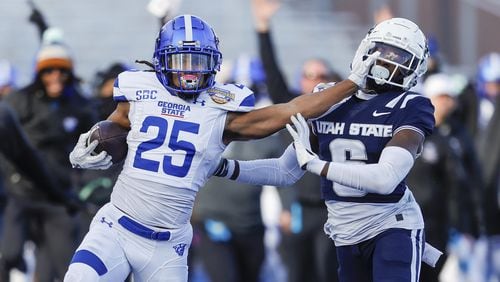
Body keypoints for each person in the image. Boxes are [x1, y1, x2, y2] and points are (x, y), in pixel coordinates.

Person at [64, 14, 378, 281]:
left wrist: (351, 83)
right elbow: (112, 129)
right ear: (161, 61)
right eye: (181, 61)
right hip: (116, 226)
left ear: (213, 64)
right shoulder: (139, 91)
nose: (189, 73)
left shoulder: (222, 114)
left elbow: (289, 110)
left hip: (167, 245)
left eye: (197, 63)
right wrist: (90, 143)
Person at [216, 18, 441, 281]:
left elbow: (385, 178)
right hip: (345, 233)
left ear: (414, 70)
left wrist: (315, 165)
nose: (388, 64)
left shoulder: (411, 105)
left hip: (392, 226)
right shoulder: (330, 99)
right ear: (366, 49)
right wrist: (222, 167)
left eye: (400, 58)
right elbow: (284, 171)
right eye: (384, 53)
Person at [251, 0, 341, 280]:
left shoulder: (343, 112)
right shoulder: (291, 109)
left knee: (327, 272)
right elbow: (272, 72)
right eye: (308, 75)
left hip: (331, 209)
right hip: (298, 207)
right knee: (297, 273)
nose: (314, 80)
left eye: (321, 75)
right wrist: (263, 28)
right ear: (299, 80)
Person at [0, 40, 96, 281]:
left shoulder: (80, 106)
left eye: (62, 70)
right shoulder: (19, 102)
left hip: (57, 195)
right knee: (8, 253)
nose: (56, 76)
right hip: (20, 192)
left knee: (66, 266)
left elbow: (97, 143)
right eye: (49, 70)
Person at [407, 73, 484, 281]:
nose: (447, 103)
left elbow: (464, 182)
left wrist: (470, 224)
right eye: (442, 97)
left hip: (443, 222)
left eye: (449, 98)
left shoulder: (455, 134)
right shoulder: (413, 132)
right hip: (413, 219)